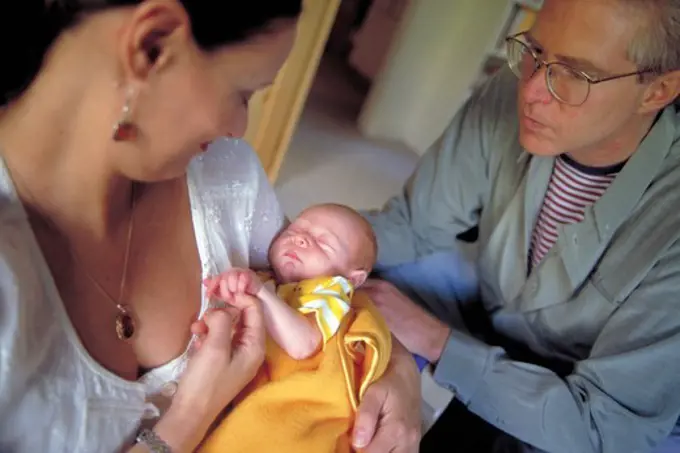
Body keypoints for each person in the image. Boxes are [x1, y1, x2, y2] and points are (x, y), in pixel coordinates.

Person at [0, 2, 421, 453]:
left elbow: (328, 295)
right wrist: (190, 416)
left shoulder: (228, 175)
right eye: (242, 93)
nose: (240, 129)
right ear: (151, 47)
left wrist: (401, 373)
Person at [362, 0, 680, 452]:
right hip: (502, 329)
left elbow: (609, 426)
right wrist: (332, 240)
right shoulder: (505, 96)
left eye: (575, 73)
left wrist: (438, 345)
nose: (530, 90)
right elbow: (412, 227)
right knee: (358, 273)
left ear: (658, 90)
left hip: (608, 418)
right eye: (533, 50)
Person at [197, 203, 392, 453]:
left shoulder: (331, 293)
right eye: (294, 230)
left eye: (323, 243)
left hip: (301, 412)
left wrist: (258, 293)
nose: (300, 239)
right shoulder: (269, 282)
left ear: (352, 279)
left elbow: (304, 344)